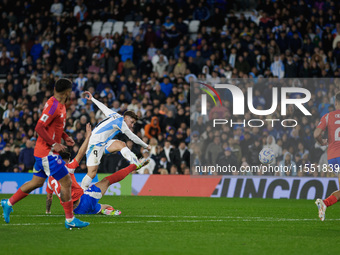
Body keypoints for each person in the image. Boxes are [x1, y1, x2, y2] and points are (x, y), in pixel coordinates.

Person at [1, 78, 89, 229]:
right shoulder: (54, 106)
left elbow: (54, 127)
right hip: (48, 154)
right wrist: (54, 144)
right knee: (66, 182)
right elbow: (39, 127)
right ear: (67, 92)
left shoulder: (58, 104)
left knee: (37, 182)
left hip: (42, 152)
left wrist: (65, 137)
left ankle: (8, 203)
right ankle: (70, 220)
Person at [46, 123, 149, 215]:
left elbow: (49, 198)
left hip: (76, 211)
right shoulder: (67, 168)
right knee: (108, 180)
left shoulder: (50, 179)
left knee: (106, 206)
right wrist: (88, 137)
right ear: (65, 160)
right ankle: (135, 166)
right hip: (83, 201)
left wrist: (48, 211)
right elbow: (81, 153)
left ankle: (102, 210)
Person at [81, 91, 151, 190]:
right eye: (132, 122)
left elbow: (104, 108)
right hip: (94, 144)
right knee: (92, 173)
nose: (132, 125)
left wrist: (92, 99)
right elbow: (132, 137)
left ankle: (134, 161)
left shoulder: (115, 115)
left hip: (104, 143)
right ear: (126, 118)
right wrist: (146, 146)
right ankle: (81, 192)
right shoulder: (121, 122)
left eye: (134, 123)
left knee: (121, 144)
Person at [314, 92, 340, 221]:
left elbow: (316, 134)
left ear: (336, 103)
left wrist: (322, 142)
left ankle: (324, 203)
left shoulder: (328, 116)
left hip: (332, 158)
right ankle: (325, 203)